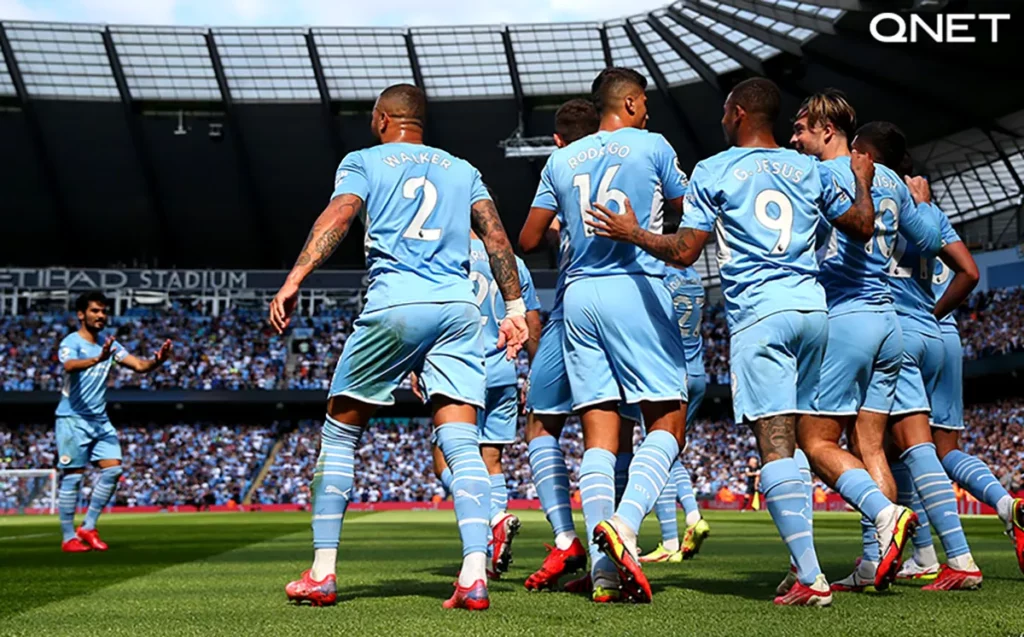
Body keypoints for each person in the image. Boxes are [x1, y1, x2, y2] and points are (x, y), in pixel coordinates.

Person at [585, 77, 877, 606]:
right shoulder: (809, 168)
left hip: (761, 316)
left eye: (724, 111)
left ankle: (813, 579)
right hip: (814, 312)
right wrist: (859, 179)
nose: (719, 118)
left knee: (775, 444)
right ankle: (806, 566)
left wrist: (632, 234)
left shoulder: (714, 170)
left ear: (738, 113)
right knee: (804, 443)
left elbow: (683, 251)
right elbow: (861, 224)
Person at [270, 84, 528, 611]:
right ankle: (474, 575)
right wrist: (517, 308)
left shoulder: (363, 160)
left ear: (383, 118)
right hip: (460, 312)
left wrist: (296, 276)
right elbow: (497, 238)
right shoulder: (462, 168)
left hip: (396, 306)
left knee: (341, 430)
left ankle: (323, 571)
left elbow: (340, 215)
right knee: (462, 442)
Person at [519, 67, 690, 604]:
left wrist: (568, 225)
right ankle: (627, 525)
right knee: (669, 419)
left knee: (598, 435)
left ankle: (603, 575)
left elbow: (527, 237)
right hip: (634, 285)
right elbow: (683, 218)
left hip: (579, 299)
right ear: (634, 103)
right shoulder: (653, 145)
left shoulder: (561, 159)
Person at [788, 91, 938, 594]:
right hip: (889, 322)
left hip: (846, 319)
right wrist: (921, 204)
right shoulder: (891, 178)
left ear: (828, 130)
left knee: (815, 442)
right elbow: (931, 240)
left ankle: (886, 514)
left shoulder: (818, 177)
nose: (795, 139)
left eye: (802, 129)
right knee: (870, 444)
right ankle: (876, 561)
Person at [849, 122, 985, 592]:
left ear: (865, 155)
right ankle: (937, 547)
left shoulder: (863, 201)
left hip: (893, 330)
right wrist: (936, 312)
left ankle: (938, 555)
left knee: (895, 446)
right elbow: (969, 271)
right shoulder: (927, 211)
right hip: (940, 334)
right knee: (923, 450)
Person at [893, 168, 1024, 582]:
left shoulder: (892, 214)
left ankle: (930, 552)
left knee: (900, 444)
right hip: (948, 338)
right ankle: (1008, 507)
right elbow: (968, 271)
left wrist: (923, 314)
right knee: (945, 450)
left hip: (912, 329)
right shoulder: (936, 217)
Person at [419, 211, 543, 580]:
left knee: (446, 460)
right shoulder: (512, 262)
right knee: (491, 461)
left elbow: (432, 315)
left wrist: (416, 365)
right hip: (503, 368)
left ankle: (493, 517)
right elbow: (532, 321)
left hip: (458, 369)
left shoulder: (443, 254)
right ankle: (493, 544)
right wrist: (534, 374)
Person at [56, 291, 172, 552]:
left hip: (99, 419)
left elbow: (139, 366)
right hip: (72, 418)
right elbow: (69, 365)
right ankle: (67, 538)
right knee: (73, 477)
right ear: (81, 314)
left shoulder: (111, 345)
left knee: (113, 469)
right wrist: (97, 358)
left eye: (103, 311)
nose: (101, 315)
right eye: (95, 311)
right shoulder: (72, 341)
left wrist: (157, 361)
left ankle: (87, 527)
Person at [640, 263, 712, 563]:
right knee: (672, 452)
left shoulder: (659, 275)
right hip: (698, 370)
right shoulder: (695, 278)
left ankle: (670, 540)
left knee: (659, 449)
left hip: (670, 373)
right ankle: (693, 516)